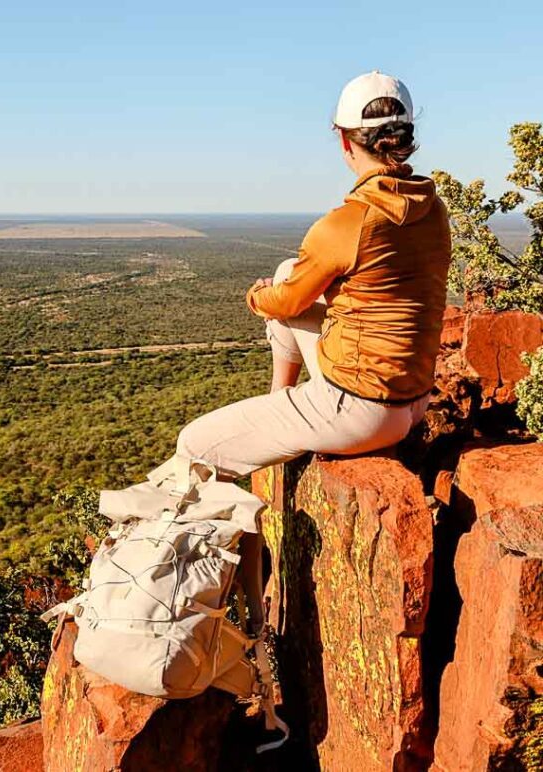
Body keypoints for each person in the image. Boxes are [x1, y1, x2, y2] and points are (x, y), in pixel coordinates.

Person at [173, 71, 452, 629]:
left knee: (195, 447)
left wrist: (255, 299)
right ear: (405, 137)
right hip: (410, 397)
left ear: (346, 142)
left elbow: (286, 299)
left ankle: (239, 613)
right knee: (286, 272)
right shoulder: (433, 209)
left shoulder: (347, 223)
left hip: (359, 409)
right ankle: (283, 407)